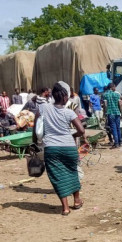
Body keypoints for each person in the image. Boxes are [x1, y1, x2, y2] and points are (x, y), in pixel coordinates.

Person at [32, 82, 86, 216]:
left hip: (51, 148)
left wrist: (35, 141)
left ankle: (65, 208)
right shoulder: (69, 112)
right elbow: (81, 130)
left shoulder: (43, 107)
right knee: (73, 172)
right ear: (65, 97)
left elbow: (36, 126)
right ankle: (77, 200)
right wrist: (72, 135)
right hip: (69, 147)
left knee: (57, 176)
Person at [102, 83, 122, 149]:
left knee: (113, 128)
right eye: (115, 87)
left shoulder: (105, 95)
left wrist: (104, 113)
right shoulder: (117, 94)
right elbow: (120, 104)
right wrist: (121, 113)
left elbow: (105, 105)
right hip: (117, 113)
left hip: (110, 113)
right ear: (112, 87)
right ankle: (120, 142)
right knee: (118, 128)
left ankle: (116, 143)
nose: (115, 88)